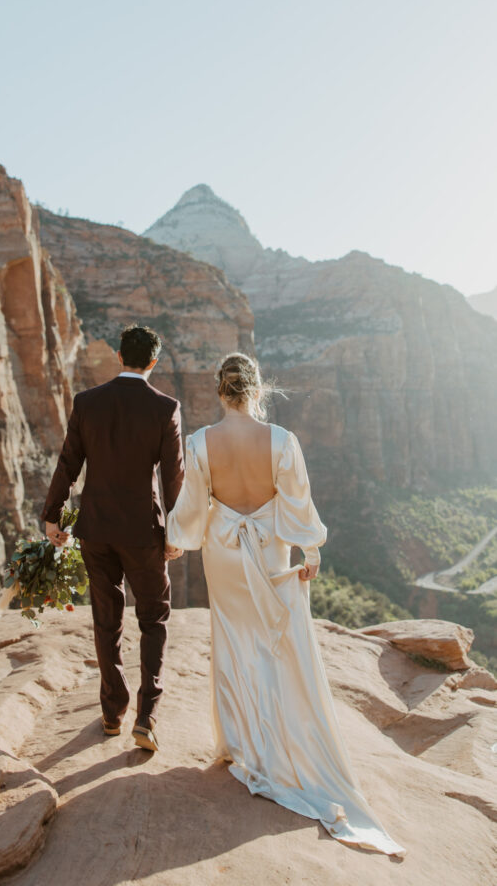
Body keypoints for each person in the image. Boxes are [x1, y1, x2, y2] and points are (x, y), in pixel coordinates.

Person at [166, 352, 405, 856]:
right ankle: (281, 747)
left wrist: (175, 540)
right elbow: (297, 501)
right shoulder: (281, 441)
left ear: (219, 392)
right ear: (256, 390)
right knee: (276, 645)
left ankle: (243, 747)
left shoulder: (200, 442)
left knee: (233, 644)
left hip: (224, 553)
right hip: (273, 550)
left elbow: (191, 509)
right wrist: (311, 549)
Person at [41, 324, 185, 751]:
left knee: (107, 621)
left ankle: (111, 712)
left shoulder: (88, 403)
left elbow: (69, 462)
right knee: (154, 618)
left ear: (119, 357)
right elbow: (173, 477)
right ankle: (146, 716)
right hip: (144, 532)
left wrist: (53, 517)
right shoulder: (166, 408)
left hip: (97, 530)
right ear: (153, 363)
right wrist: (175, 532)